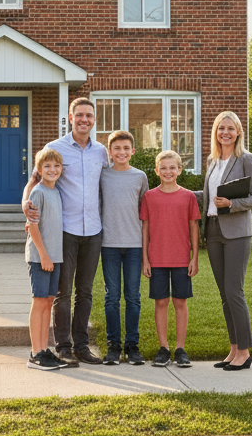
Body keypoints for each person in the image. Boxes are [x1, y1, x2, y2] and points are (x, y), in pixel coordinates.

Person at [22, 97, 109, 364]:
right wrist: (25, 202)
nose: (85, 120)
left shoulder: (101, 152)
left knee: (85, 291)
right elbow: (35, 181)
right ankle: (63, 346)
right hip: (66, 232)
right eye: (79, 115)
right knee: (62, 293)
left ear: (94, 120)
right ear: (71, 118)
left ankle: (82, 345)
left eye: (89, 116)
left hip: (93, 230)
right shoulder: (54, 148)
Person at [197, 111, 252, 371]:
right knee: (225, 294)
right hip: (213, 231)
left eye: (230, 128)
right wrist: (173, 191)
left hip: (237, 232)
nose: (225, 132)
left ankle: (245, 352)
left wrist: (233, 204)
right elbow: (208, 195)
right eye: (220, 128)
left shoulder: (247, 159)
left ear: (238, 132)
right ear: (215, 132)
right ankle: (234, 349)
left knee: (234, 291)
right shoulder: (213, 161)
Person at [140, 149, 200, 368]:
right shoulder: (149, 197)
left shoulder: (188, 197)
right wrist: (145, 259)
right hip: (157, 259)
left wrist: (194, 258)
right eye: (163, 168)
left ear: (179, 170)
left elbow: (194, 227)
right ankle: (164, 348)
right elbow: (145, 227)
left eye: (172, 167)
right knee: (161, 302)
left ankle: (180, 348)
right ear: (156, 171)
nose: (168, 171)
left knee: (180, 302)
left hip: (182, 259)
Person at [98, 130, 150, 366]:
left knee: (133, 297)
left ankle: (132, 346)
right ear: (110, 152)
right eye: (116, 148)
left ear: (133, 151)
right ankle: (113, 347)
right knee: (112, 298)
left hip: (133, 245)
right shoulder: (102, 175)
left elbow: (146, 212)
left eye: (126, 148)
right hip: (108, 244)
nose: (121, 152)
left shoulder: (140, 177)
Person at [25, 148, 70, 371]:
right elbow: (33, 226)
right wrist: (43, 254)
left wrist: (52, 256)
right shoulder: (38, 192)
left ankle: (44, 350)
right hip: (40, 256)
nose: (52, 170)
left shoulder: (56, 191)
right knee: (39, 301)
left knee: (49, 301)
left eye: (56, 166)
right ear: (39, 170)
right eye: (47, 166)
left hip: (56, 256)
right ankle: (35, 353)